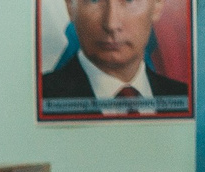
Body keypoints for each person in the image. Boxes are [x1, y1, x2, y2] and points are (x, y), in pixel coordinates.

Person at [40, 0, 186, 112]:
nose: (111, 24)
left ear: (157, 5)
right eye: (94, 0)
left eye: (129, 0)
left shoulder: (185, 96)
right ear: (70, 6)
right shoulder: (38, 97)